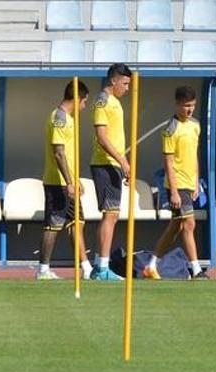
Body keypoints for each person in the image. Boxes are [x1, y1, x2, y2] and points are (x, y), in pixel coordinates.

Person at [142, 86, 206, 280]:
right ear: (177, 104)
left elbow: (194, 154)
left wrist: (196, 182)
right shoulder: (171, 129)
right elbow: (168, 161)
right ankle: (196, 270)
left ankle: (151, 265)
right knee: (189, 224)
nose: (190, 109)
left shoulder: (195, 125)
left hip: (189, 183)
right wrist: (174, 191)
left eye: (193, 105)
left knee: (176, 227)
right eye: (186, 105)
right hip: (176, 184)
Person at [37, 80, 93, 280]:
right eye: (84, 102)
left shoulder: (68, 119)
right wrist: (69, 182)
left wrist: (76, 179)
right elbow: (59, 153)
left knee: (77, 222)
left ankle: (86, 268)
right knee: (53, 225)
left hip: (68, 181)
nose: (84, 107)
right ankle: (43, 269)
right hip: (57, 182)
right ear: (78, 99)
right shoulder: (59, 118)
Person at [89, 63, 132, 281]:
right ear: (113, 80)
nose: (126, 88)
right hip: (105, 164)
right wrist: (122, 160)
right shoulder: (103, 101)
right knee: (109, 214)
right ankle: (102, 268)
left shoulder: (115, 102)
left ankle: (100, 264)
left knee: (112, 215)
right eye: (124, 83)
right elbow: (102, 136)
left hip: (113, 164)